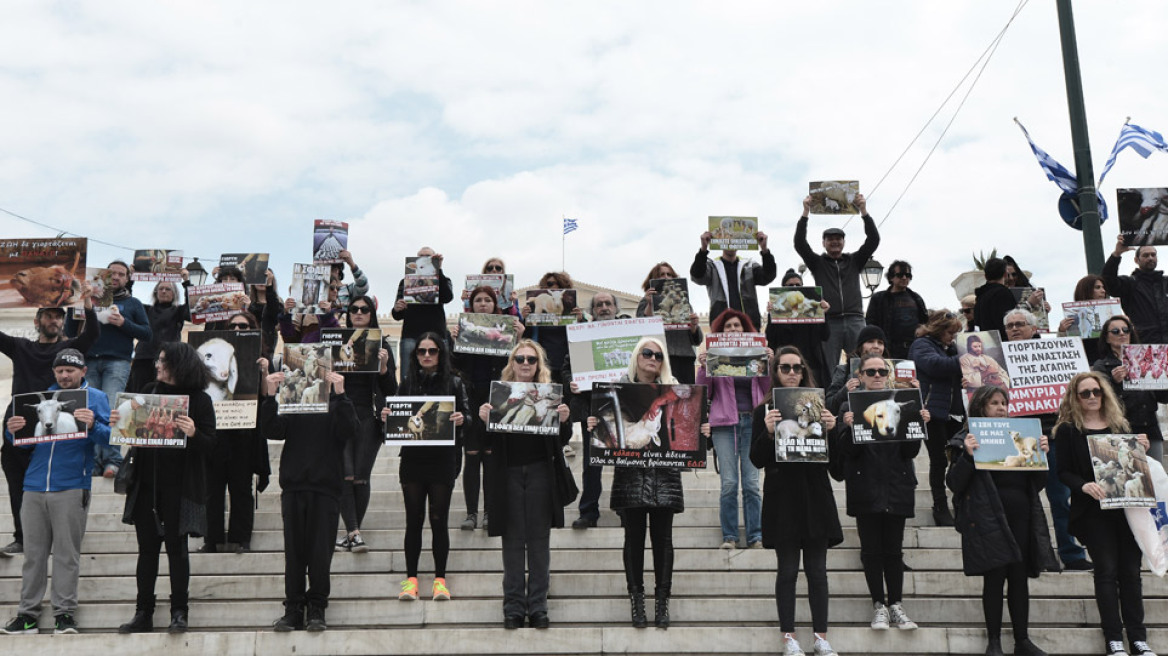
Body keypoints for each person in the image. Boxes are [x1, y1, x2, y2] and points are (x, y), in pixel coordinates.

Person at [589, 337, 707, 630]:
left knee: (663, 540)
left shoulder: (678, 387)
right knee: (634, 539)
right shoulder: (616, 388)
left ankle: (662, 601)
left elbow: (688, 423)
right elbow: (606, 432)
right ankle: (637, 599)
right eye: (647, 353)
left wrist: (703, 429)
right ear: (636, 356)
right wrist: (593, 426)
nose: (652, 358)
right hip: (630, 473)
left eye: (658, 354)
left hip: (665, 472)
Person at [0, 349, 109, 635]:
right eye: (60, 371)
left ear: (83, 371)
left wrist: (93, 425)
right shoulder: (43, 398)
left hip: (72, 485)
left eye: (70, 370)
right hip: (34, 486)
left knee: (66, 555)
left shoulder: (96, 398)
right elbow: (25, 444)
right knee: (33, 555)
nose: (64, 375)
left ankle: (64, 614)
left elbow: (111, 438)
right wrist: (13, 433)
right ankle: (27, 615)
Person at [947, 385, 1058, 656]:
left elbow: (1038, 483)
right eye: (994, 403)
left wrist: (1042, 456)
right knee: (995, 578)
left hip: (1021, 516)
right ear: (981, 408)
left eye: (1003, 403)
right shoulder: (966, 438)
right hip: (987, 518)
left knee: (1019, 579)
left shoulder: (1020, 435)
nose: (1001, 408)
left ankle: (1022, 640)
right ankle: (994, 642)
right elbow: (954, 483)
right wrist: (968, 457)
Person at [1055, 372, 1157, 656]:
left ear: (1104, 394)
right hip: (1092, 511)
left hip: (1125, 508)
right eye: (1085, 393)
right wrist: (1083, 485)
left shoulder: (1119, 424)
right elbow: (1062, 471)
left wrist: (1142, 451)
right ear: (1075, 397)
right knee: (1106, 571)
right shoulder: (1068, 430)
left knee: (1131, 573)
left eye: (1096, 392)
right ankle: (1113, 638)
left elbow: (1132, 464)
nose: (1091, 397)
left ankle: (1138, 639)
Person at [116, 342, 216, 634]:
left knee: (177, 550)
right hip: (147, 485)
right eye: (158, 361)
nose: (156, 365)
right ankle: (143, 612)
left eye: (162, 361)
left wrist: (194, 433)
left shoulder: (199, 400)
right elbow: (131, 432)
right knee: (147, 550)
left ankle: (179, 612)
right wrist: (120, 423)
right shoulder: (150, 391)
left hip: (181, 488)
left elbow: (212, 445)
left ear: (178, 365)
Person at [751, 347, 842, 656]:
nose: (792, 372)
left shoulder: (820, 408)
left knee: (818, 571)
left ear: (804, 372)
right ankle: (789, 637)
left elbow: (838, 469)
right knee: (787, 571)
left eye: (797, 368)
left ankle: (820, 637)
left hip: (816, 497)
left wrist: (833, 431)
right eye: (785, 367)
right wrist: (766, 432)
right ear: (775, 371)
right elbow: (756, 460)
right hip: (782, 500)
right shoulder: (763, 411)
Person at [480, 340, 572, 629]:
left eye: (531, 359)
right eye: (520, 358)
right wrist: (484, 420)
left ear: (538, 365)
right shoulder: (500, 395)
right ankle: (514, 607)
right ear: (512, 362)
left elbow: (562, 441)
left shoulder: (550, 395)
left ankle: (538, 606)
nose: (525, 363)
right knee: (512, 540)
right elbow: (484, 443)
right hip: (507, 473)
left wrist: (566, 421)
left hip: (540, 472)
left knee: (539, 541)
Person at [836, 353, 930, 632]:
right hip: (865, 486)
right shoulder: (848, 406)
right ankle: (879, 604)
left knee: (893, 550)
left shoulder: (902, 404)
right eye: (871, 372)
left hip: (896, 485)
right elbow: (846, 453)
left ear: (887, 375)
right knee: (871, 550)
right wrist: (848, 428)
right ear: (860, 376)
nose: (876, 376)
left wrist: (918, 424)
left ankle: (896, 605)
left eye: (881, 371)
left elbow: (910, 452)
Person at [0, 300, 99, 558]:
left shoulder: (69, 348)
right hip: (19, 421)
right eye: (48, 316)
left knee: (55, 481)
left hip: (57, 424)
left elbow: (92, 334)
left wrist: (88, 305)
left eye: (58, 316)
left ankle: (61, 534)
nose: (53, 320)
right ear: (37, 321)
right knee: (16, 481)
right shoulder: (20, 347)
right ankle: (22, 537)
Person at [264, 368, 357, 632]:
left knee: (319, 553)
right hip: (294, 485)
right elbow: (272, 429)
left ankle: (317, 606)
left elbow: (348, 430)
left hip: (326, 487)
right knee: (294, 554)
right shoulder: (295, 402)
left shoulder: (337, 403)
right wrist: (270, 396)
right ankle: (293, 609)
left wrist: (341, 395)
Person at [1002, 308, 1094, 573]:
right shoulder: (998, 360)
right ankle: (1026, 554)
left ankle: (1071, 552)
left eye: (1020, 324)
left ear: (1034, 329)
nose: (1015, 329)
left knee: (1060, 497)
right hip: (1017, 435)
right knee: (1018, 500)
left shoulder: (1054, 353)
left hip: (1053, 434)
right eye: (1010, 326)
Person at [389, 332, 469, 602]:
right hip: (413, 459)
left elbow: (468, 417)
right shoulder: (408, 382)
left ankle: (440, 581)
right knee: (413, 521)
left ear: (441, 353)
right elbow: (395, 420)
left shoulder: (454, 382)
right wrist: (387, 416)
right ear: (415, 355)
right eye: (421, 351)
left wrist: (462, 418)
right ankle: (410, 581)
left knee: (439, 520)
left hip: (442, 460)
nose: (426, 355)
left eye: (432, 351)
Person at [67, 260, 152, 479]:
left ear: (127, 279)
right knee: (90, 410)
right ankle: (94, 462)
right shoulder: (88, 298)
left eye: (120, 274)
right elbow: (69, 330)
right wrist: (76, 300)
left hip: (118, 361)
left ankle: (113, 460)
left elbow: (146, 334)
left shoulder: (133, 303)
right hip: (88, 361)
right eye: (111, 273)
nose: (115, 277)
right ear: (103, 275)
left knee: (113, 410)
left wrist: (123, 323)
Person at [695, 309, 769, 549]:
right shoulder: (715, 355)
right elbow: (702, 390)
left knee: (751, 483)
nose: (734, 329)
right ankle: (729, 536)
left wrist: (770, 362)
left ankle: (756, 536)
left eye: (737, 325)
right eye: (728, 327)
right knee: (729, 483)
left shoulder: (756, 354)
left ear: (745, 330)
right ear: (721, 332)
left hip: (753, 421)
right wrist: (703, 367)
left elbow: (768, 388)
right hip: (724, 424)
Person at [451, 286, 522, 532]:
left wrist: (519, 338)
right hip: (471, 398)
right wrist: (454, 341)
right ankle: (471, 512)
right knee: (471, 457)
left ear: (495, 305)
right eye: (478, 300)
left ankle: (490, 511)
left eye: (487, 301)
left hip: (497, 398)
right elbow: (454, 365)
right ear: (472, 305)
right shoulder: (466, 330)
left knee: (491, 459)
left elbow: (517, 364)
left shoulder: (504, 329)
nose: (483, 304)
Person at [200, 312, 272, 554]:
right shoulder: (213, 353)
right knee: (212, 488)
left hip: (244, 429)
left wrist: (264, 370)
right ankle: (212, 538)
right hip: (216, 429)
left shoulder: (260, 357)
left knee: (241, 487)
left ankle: (241, 538)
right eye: (234, 325)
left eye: (244, 325)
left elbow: (265, 395)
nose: (239, 328)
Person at [336, 296, 398, 552]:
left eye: (364, 310)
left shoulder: (382, 344)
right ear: (349, 314)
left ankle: (353, 533)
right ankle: (354, 532)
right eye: (354, 310)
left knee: (361, 477)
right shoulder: (336, 341)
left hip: (368, 416)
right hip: (340, 413)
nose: (359, 313)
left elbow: (391, 388)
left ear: (371, 314)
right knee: (345, 474)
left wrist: (383, 367)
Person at [795, 193, 881, 369]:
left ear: (843, 242)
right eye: (830, 239)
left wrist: (864, 211)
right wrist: (805, 213)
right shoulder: (817, 263)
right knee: (829, 366)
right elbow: (800, 243)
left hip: (855, 319)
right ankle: (831, 396)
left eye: (838, 239)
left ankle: (858, 395)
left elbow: (873, 240)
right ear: (823, 243)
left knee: (861, 365)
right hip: (829, 321)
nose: (834, 242)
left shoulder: (855, 261)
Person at [564, 291, 623, 530]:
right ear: (593, 310)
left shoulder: (628, 333)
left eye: (608, 303)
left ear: (616, 308)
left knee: (625, 463)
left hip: (624, 405)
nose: (604, 308)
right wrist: (571, 382)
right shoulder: (582, 336)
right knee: (592, 464)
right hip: (592, 407)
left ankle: (625, 509)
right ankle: (588, 512)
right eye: (599, 304)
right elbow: (567, 368)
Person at [909, 310, 966, 527]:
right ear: (939, 329)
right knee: (939, 460)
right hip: (932, 411)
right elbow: (936, 366)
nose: (953, 337)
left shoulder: (950, 349)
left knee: (958, 459)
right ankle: (940, 505)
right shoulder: (921, 345)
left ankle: (958, 503)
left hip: (954, 411)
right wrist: (966, 358)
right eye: (950, 332)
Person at [1091, 315, 1168, 463]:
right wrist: (1115, 382)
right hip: (1120, 431)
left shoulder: (1149, 358)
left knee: (1157, 478)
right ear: (1106, 338)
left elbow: (1163, 398)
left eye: (1126, 330)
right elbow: (1098, 398)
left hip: (1150, 429)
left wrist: (1164, 379)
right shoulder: (1101, 365)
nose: (1122, 333)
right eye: (1115, 331)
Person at [689, 226, 776, 330]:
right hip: (722, 329)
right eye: (727, 238)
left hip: (749, 328)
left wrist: (764, 250)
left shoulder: (749, 266)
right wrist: (703, 250)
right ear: (720, 240)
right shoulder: (713, 267)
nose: (731, 242)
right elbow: (697, 276)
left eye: (735, 238)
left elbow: (768, 275)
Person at [392, 246, 455, 387]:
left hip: (437, 336)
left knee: (441, 376)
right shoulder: (405, 282)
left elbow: (447, 297)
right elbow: (397, 315)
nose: (425, 258)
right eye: (421, 256)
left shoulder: (443, 279)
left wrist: (439, 270)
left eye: (428, 256)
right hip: (411, 336)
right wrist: (397, 308)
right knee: (408, 378)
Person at [766, 268, 831, 389]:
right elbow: (770, 337)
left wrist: (824, 314)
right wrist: (771, 315)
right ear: (783, 288)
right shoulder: (778, 309)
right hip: (786, 367)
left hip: (811, 365)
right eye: (790, 285)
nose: (794, 287)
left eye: (798, 285)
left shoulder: (810, 308)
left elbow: (825, 335)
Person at [1102, 234, 1168, 345]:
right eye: (1146, 255)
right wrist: (1116, 254)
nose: (1150, 258)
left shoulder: (1165, 282)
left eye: (1153, 255)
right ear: (1136, 260)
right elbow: (1108, 282)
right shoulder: (1129, 284)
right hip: (1144, 347)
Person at [128, 280, 186, 393]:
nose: (164, 291)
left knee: (164, 394)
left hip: (168, 358)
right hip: (143, 358)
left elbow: (192, 309)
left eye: (168, 289)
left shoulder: (179, 311)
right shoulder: (145, 310)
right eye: (161, 288)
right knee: (140, 393)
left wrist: (187, 282)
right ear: (156, 292)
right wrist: (130, 281)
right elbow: (128, 304)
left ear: (174, 293)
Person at [525, 271, 583, 385]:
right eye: (547, 284)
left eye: (553, 283)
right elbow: (526, 337)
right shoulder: (541, 301)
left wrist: (581, 321)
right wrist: (525, 319)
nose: (550, 286)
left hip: (567, 365)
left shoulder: (574, 312)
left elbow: (583, 339)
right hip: (543, 364)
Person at [865, 260, 928, 359]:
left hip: (913, 348)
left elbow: (925, 321)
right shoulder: (879, 298)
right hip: (889, 349)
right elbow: (870, 324)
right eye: (900, 275)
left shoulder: (916, 298)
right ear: (891, 277)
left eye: (908, 275)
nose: (904, 278)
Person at [825, 325, 889, 414]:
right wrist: (844, 391)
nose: (876, 346)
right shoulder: (844, 370)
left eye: (880, 343)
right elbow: (829, 405)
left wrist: (914, 390)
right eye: (870, 341)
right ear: (861, 346)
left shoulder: (891, 369)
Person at [973, 258, 1017, 340]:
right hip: (1003, 345)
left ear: (985, 276)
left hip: (986, 344)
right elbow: (1011, 320)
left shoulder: (980, 297)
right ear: (1005, 274)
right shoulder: (1003, 293)